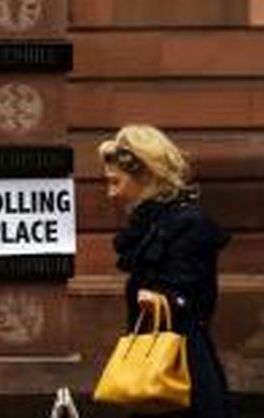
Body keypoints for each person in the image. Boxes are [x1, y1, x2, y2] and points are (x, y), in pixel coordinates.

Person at [98, 124, 232, 418]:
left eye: (115, 181)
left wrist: (168, 298)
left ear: (145, 174)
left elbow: (192, 295)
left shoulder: (188, 225)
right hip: (149, 374)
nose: (109, 192)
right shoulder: (148, 226)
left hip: (181, 372)